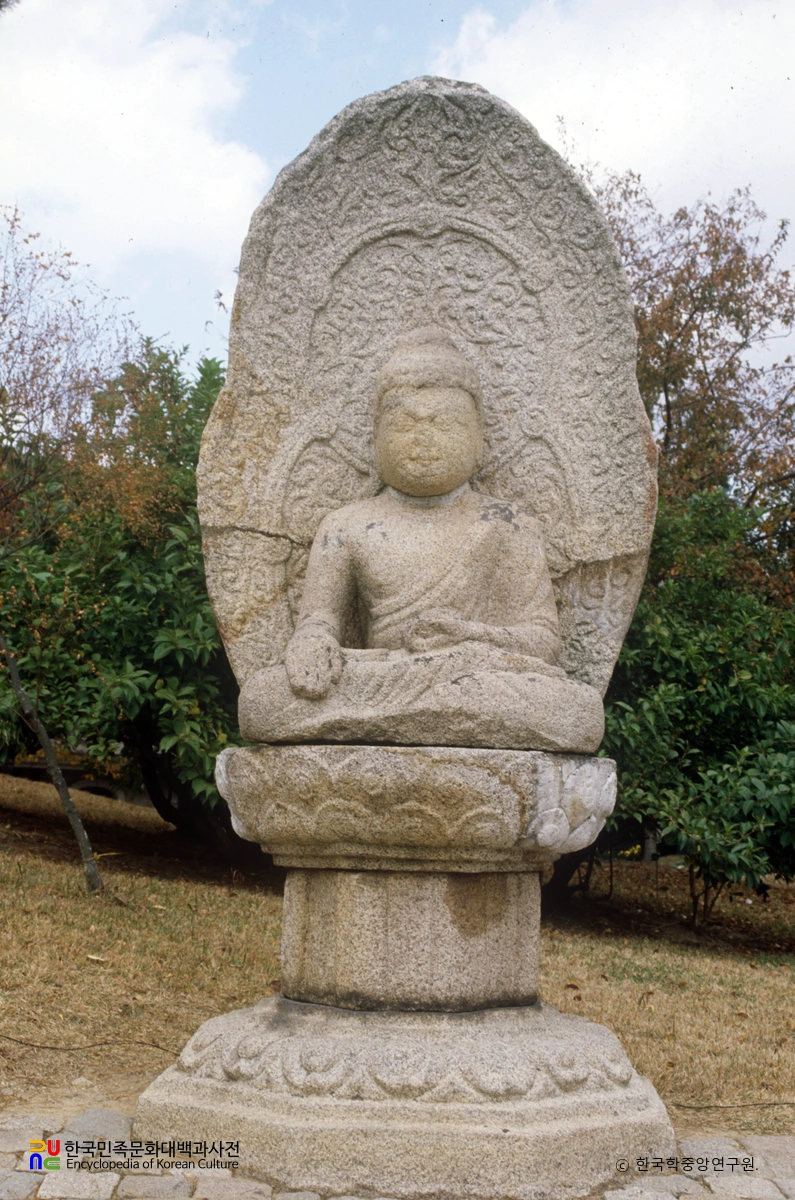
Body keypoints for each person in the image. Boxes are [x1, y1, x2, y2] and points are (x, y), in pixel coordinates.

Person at [240, 327, 604, 752]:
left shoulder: (508, 523)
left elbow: (542, 641)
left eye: (445, 423)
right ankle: (425, 714)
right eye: (405, 423)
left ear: (479, 436)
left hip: (474, 675)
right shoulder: (346, 525)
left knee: (577, 710)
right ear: (375, 435)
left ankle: (415, 713)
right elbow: (319, 621)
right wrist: (312, 645)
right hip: (380, 673)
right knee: (261, 699)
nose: (424, 440)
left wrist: (467, 637)